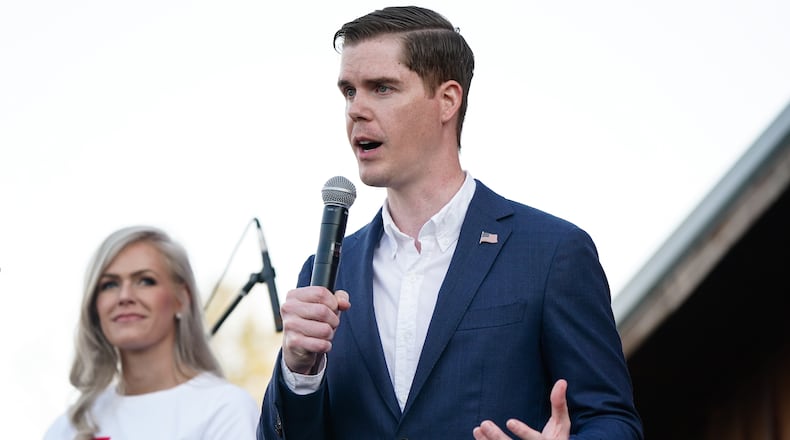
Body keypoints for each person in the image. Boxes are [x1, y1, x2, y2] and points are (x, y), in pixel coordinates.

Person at [258, 6, 643, 439]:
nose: (356, 110)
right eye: (348, 92)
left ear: (447, 100)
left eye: (381, 88)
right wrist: (297, 372)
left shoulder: (551, 252)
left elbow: (613, 421)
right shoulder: (324, 275)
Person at [44, 225, 259, 440]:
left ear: (181, 298)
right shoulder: (71, 425)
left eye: (146, 281)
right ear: (94, 305)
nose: (125, 296)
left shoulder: (225, 409)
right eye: (109, 285)